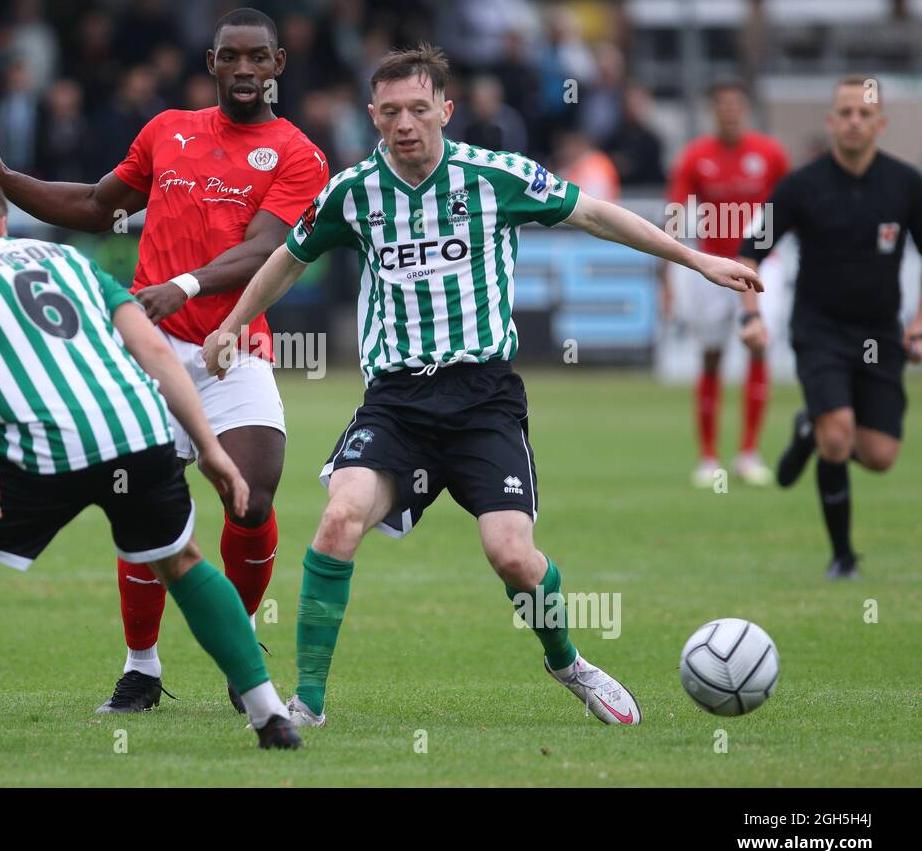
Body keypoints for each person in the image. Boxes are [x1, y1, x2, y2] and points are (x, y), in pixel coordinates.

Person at [201, 45, 761, 727]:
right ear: (372, 117)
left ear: (445, 108)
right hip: (398, 402)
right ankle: (308, 704)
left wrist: (697, 258)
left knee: (512, 556)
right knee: (338, 520)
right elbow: (288, 259)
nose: (404, 123)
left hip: (482, 400)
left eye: (417, 108)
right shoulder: (353, 193)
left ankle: (567, 662)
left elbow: (595, 214)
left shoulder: (493, 176)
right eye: (389, 111)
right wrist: (233, 324)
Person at [0, 171, 300, 755]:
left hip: (38, 445)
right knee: (185, 563)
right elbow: (151, 347)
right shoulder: (67, 261)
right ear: (2, 224)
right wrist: (211, 447)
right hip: (134, 430)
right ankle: (269, 713)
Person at [0, 9, 329, 714]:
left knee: (252, 496)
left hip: (232, 346)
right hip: (146, 352)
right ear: (211, 64)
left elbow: (266, 249)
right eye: (230, 57)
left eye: (257, 58)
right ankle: (141, 668)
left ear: (278, 66)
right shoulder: (167, 131)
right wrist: (1, 176)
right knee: (139, 503)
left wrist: (182, 286)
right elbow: (93, 205)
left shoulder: (298, 154)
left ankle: (237, 653)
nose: (243, 70)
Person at [737, 76, 922, 580]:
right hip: (818, 329)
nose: (855, 122)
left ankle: (807, 429)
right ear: (831, 121)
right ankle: (843, 558)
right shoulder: (801, 186)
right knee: (838, 439)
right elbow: (750, 253)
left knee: (881, 456)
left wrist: (918, 325)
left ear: (880, 123)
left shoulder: (906, 184)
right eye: (845, 113)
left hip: (879, 334)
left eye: (865, 114)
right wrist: (751, 315)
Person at [664, 80, 789, 487]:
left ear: (745, 110)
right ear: (713, 111)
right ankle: (708, 457)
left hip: (761, 265)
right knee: (712, 355)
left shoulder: (769, 154)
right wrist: (667, 268)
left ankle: (749, 452)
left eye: (736, 106)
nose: (729, 113)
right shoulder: (696, 156)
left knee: (757, 345)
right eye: (722, 106)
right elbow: (676, 210)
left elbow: (789, 204)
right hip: (712, 267)